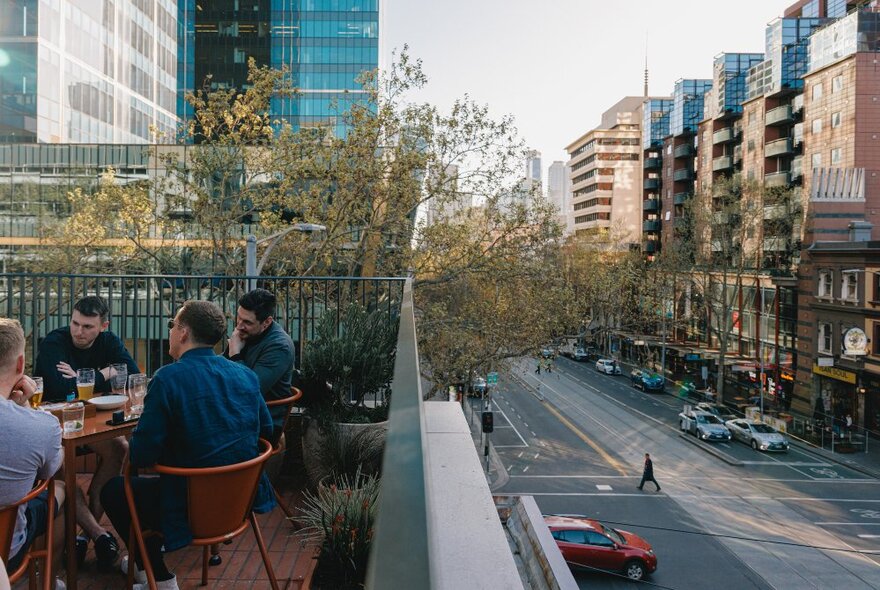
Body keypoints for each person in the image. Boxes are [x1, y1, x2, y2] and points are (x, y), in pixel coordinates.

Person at [102, 300, 276, 590]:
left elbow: (143, 454)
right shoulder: (245, 374)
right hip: (239, 504)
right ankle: (147, 564)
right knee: (159, 483)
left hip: (189, 510)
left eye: (172, 325)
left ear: (183, 333)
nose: (170, 331)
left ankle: (158, 575)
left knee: (117, 490)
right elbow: (267, 431)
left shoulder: (168, 379)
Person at [34, 295, 138, 570]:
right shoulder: (54, 342)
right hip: (53, 424)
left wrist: (83, 374)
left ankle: (83, 537)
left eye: (87, 327)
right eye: (75, 323)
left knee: (120, 449)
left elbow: (132, 372)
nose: (79, 332)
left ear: (103, 326)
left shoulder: (110, 341)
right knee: (59, 466)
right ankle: (99, 534)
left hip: (90, 419)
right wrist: (103, 373)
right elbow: (58, 387)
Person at [0, 318, 66, 587]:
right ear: (20, 365)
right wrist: (25, 408)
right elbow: (50, 471)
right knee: (60, 490)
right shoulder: (42, 427)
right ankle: (51, 580)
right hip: (7, 549)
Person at [226, 289, 295, 442]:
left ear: (267, 322)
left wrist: (235, 354)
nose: (239, 326)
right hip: (237, 410)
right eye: (239, 318)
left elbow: (248, 390)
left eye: (247, 322)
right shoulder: (248, 333)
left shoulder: (279, 347)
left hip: (264, 421)